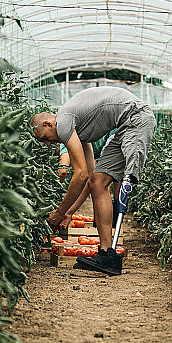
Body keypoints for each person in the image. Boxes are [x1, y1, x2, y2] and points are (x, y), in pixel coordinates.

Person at [30, 86, 156, 275]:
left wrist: (59, 212)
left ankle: (111, 257)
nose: (48, 144)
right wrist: (69, 213)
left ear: (48, 124)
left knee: (125, 180)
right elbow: (88, 177)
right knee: (98, 182)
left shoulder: (63, 121)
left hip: (135, 119)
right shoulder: (76, 127)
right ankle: (106, 253)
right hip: (123, 127)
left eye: (45, 138)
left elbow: (79, 174)